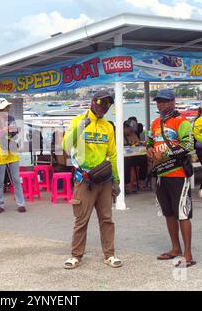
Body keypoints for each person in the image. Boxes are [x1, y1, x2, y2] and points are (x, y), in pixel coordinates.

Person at [62, 89, 122, 270]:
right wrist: (83, 125)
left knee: (106, 219)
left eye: (108, 104)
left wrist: (116, 180)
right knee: (81, 219)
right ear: (93, 101)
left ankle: (109, 255)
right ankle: (75, 256)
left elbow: (112, 155)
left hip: (104, 180)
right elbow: (65, 145)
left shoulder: (108, 127)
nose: (104, 106)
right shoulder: (78, 121)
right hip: (84, 180)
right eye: (101, 102)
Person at [147, 89, 196, 268]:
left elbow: (189, 145)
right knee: (168, 213)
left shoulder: (181, 122)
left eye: (165, 101)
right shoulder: (155, 123)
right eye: (159, 102)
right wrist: (150, 150)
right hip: (160, 175)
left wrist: (165, 153)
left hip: (178, 174)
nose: (161, 105)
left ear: (173, 102)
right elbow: (150, 141)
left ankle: (188, 254)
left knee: (182, 214)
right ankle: (175, 248)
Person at [0, 98, 26, 214]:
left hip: (12, 149)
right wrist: (4, 132)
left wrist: (7, 132)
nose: (8, 108)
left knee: (16, 179)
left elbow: (15, 133)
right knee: (0, 181)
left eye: (7, 107)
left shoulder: (11, 119)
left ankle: (21, 203)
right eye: (5, 107)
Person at [124, 121, 148, 193]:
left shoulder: (133, 134)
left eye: (132, 130)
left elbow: (138, 142)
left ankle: (141, 181)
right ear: (124, 128)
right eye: (129, 129)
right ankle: (127, 185)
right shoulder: (119, 135)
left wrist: (137, 143)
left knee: (144, 159)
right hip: (123, 157)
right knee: (126, 164)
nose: (131, 131)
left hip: (132, 155)